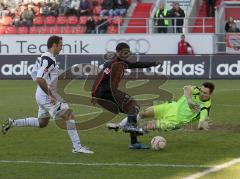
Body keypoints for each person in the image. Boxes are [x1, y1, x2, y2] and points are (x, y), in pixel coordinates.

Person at [1, 35, 94, 154]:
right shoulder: (49, 60)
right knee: (69, 115)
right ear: (54, 45)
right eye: (60, 45)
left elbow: (34, 74)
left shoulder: (43, 57)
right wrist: (50, 93)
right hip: (47, 96)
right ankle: (77, 147)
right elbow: (39, 78)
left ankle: (13, 122)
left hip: (40, 94)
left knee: (42, 123)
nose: (61, 48)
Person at [92, 42, 160, 149]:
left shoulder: (122, 63)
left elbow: (137, 64)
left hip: (108, 92)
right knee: (133, 106)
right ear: (118, 52)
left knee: (132, 110)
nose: (127, 54)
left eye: (128, 52)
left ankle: (133, 140)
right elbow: (100, 77)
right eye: (125, 52)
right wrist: (94, 93)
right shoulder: (111, 64)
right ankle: (130, 129)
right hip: (106, 92)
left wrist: (152, 63)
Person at [110, 82, 215, 132]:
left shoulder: (205, 107)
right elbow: (187, 88)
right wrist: (189, 101)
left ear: (211, 94)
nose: (202, 94)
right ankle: (119, 126)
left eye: (205, 93)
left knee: (150, 125)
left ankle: (137, 131)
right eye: (201, 91)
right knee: (143, 113)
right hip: (171, 107)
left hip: (176, 120)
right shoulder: (196, 90)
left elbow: (203, 119)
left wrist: (202, 124)